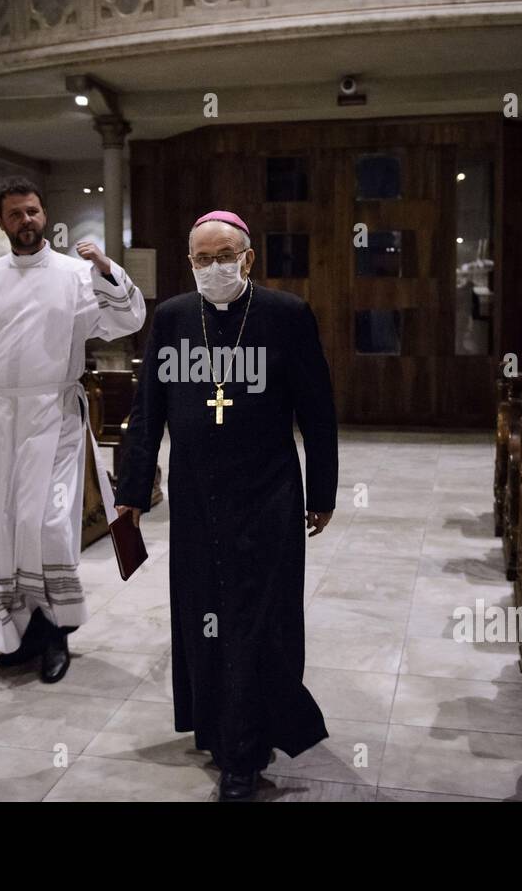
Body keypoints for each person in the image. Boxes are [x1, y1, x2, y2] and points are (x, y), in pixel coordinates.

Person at [115, 210, 338, 800]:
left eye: (224, 256)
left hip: (268, 491)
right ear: (189, 262)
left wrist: (323, 493)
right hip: (195, 495)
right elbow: (148, 410)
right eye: (201, 259)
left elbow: (318, 412)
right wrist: (133, 491)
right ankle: (220, 727)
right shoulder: (173, 318)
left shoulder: (286, 315)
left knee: (257, 619)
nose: (213, 268)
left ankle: (246, 748)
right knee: (203, 614)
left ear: (248, 258)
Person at [0, 179, 145, 683]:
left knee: (48, 525)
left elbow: (127, 321)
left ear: (44, 215)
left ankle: (56, 636)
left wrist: (109, 271)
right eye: (15, 214)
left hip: (57, 414)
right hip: (2, 416)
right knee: (6, 526)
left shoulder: (74, 275)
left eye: (32, 212)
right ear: (2, 222)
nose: (26, 221)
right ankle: (22, 636)